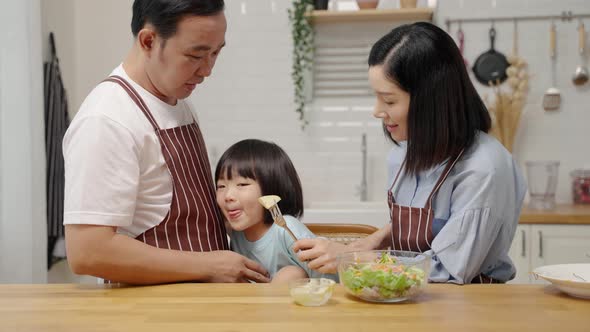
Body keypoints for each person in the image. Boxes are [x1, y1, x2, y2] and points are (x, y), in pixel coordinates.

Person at [293, 22, 527, 284]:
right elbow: (431, 227)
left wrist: (350, 259)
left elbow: (447, 269)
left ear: (431, 99)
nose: (377, 111)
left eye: (389, 100)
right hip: (410, 297)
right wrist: (371, 242)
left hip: (468, 306)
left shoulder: (484, 169)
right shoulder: (403, 153)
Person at [62, 0, 270, 284]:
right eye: (195, 55)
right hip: (152, 313)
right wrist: (210, 265)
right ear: (148, 40)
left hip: (195, 306)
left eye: (215, 53)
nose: (207, 70)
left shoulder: (175, 101)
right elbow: (88, 251)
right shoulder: (107, 119)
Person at [215, 139, 333, 282]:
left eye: (242, 184)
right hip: (251, 301)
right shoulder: (234, 231)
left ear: (272, 189)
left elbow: (328, 279)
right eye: (221, 186)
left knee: (291, 274)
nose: (228, 196)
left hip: (298, 301)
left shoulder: (286, 229)